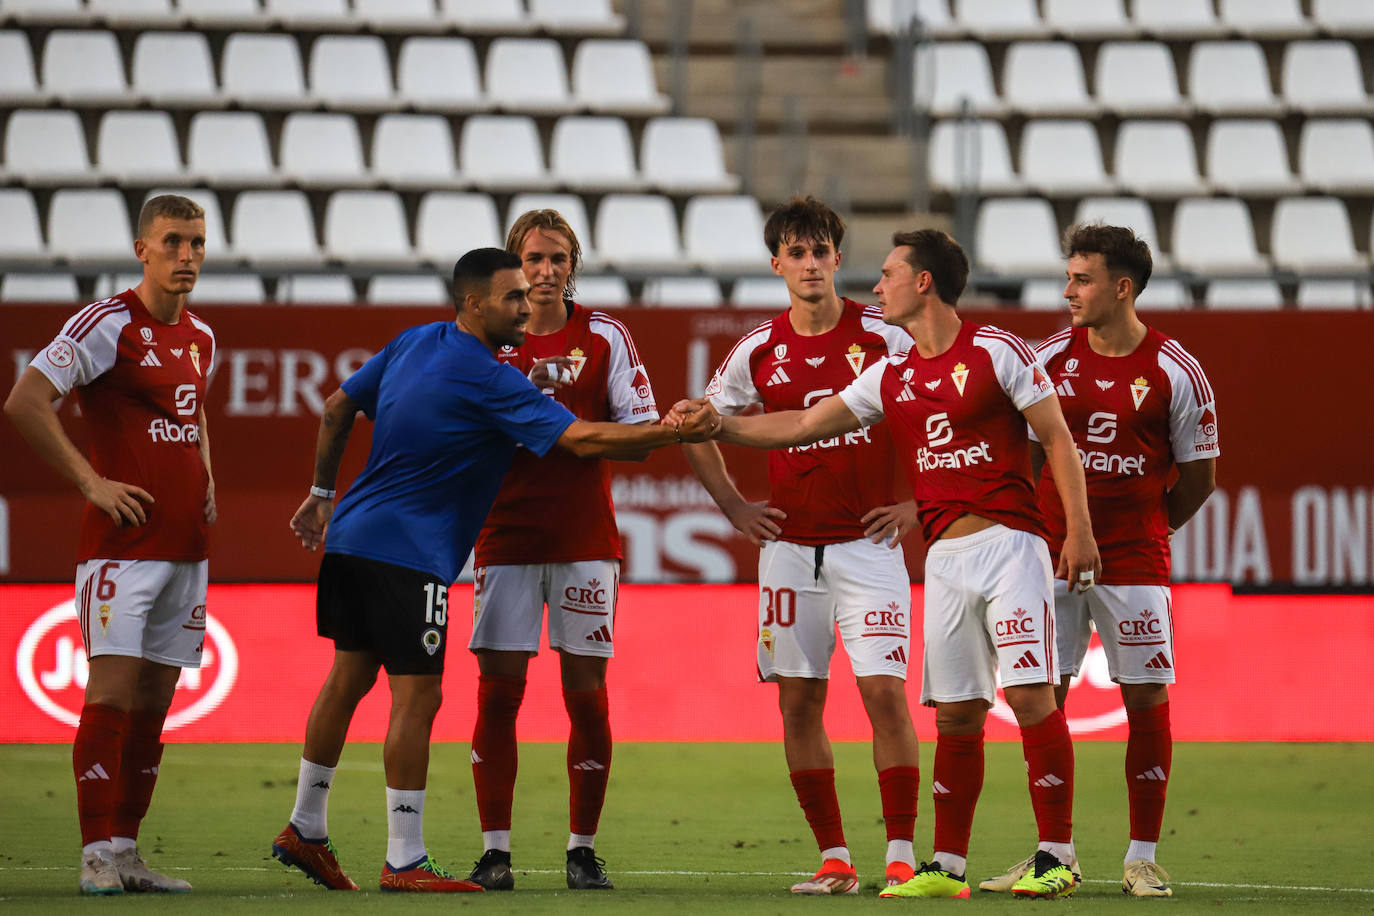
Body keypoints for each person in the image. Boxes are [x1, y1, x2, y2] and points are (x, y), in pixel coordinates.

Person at [672, 228, 1102, 900]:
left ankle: (1058, 854)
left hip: (1011, 545)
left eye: (889, 273)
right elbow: (799, 425)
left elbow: (1056, 437)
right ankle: (946, 867)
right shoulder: (889, 375)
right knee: (956, 712)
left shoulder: (997, 351)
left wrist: (1077, 530)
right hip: (945, 557)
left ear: (922, 282)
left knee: (1026, 697)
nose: (877, 286)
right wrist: (715, 425)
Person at [270, 248, 714, 894]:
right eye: (511, 296)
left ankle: (305, 827)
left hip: (352, 536)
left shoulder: (414, 341)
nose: (526, 303)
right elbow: (583, 441)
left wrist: (320, 492)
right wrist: (674, 433)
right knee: (418, 696)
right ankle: (404, 860)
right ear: (475, 303)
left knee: (347, 677)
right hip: (410, 554)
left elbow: (338, 406)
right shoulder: (490, 377)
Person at [681, 196, 922, 894]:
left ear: (838, 260)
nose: (810, 264)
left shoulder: (887, 335)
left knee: (883, 695)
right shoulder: (759, 348)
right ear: (777, 263)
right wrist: (731, 504)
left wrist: (917, 503)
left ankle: (902, 855)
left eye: (821, 252)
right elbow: (699, 422)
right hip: (789, 551)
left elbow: (948, 414)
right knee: (798, 704)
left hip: (868, 548)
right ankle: (836, 859)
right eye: (797, 252)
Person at [978, 224, 1217, 899]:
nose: (1068, 290)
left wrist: (1148, 527)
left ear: (1122, 287)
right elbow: (1021, 460)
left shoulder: (1176, 369)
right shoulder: (1050, 357)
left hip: (1136, 563)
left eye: (1082, 279)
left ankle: (1141, 858)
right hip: (1046, 559)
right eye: (1068, 275)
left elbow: (1199, 477)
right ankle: (1055, 854)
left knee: (1144, 697)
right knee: (1043, 698)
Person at [5, 195, 216, 896]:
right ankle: (95, 854)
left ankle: (127, 852)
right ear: (142, 249)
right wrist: (91, 482)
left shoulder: (201, 338)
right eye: (174, 242)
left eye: (196, 243)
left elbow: (194, 417)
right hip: (122, 553)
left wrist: (207, 476)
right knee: (113, 695)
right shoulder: (108, 323)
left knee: (156, 704)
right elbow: (25, 400)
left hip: (187, 549)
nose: (186, 255)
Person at [465, 210, 659, 892]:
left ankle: (581, 850)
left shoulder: (604, 335)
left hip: (584, 541)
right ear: (515, 266)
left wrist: (582, 435)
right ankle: (495, 853)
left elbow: (641, 429)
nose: (546, 271)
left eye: (558, 258)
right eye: (534, 259)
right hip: (506, 537)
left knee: (587, 698)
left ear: (574, 264)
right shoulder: (488, 337)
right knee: (498, 696)